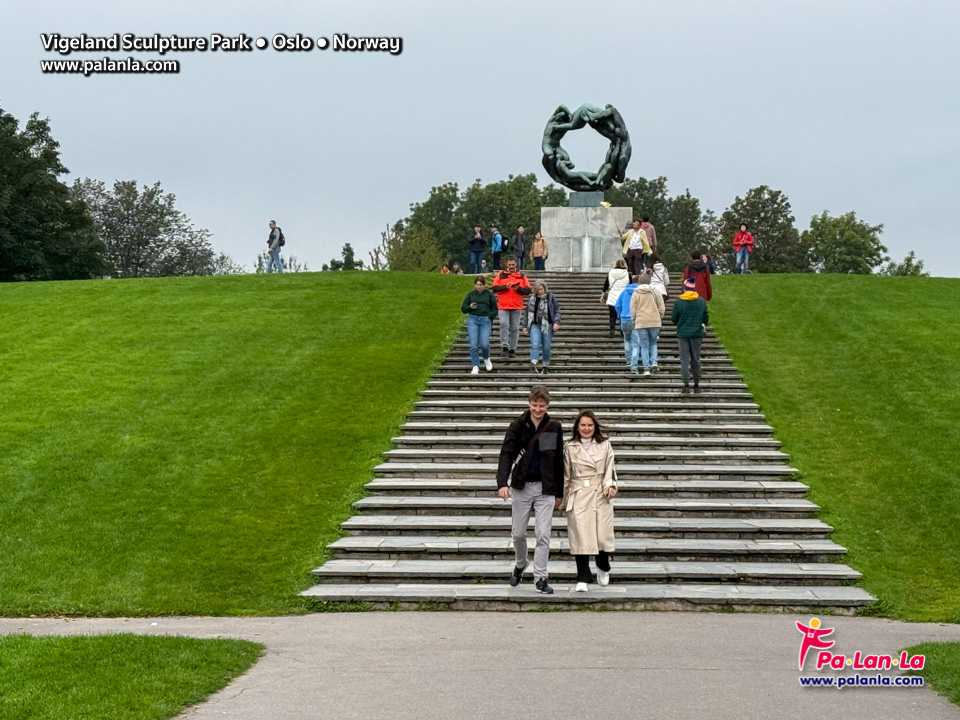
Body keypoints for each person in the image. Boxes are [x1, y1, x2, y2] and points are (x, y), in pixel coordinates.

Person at [497, 386, 565, 594]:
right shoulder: (518, 425)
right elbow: (507, 454)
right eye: (534, 405)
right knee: (518, 534)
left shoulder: (553, 426)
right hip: (522, 486)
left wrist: (559, 492)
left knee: (543, 534)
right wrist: (502, 482)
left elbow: (557, 460)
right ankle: (521, 563)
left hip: (545, 488)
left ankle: (540, 577)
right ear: (529, 404)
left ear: (547, 406)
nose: (538, 409)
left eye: (541, 406)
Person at [563, 410, 617, 592]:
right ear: (577, 427)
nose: (586, 429)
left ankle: (603, 565)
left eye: (590, 425)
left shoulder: (605, 444)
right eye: (583, 425)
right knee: (581, 536)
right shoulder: (570, 447)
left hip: (599, 492)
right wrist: (561, 497)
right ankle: (583, 577)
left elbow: (610, 468)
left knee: (602, 535)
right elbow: (566, 474)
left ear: (595, 426)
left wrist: (610, 486)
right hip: (578, 493)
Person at [671, 276, 710, 394]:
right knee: (695, 359)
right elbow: (706, 319)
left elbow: (674, 319)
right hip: (697, 334)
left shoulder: (679, 301)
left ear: (684, 288)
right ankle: (697, 384)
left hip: (683, 334)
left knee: (684, 359)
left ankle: (686, 384)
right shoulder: (701, 301)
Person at [491, 255, 531, 358]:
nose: (511, 266)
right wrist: (505, 287)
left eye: (513, 264)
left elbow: (528, 290)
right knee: (504, 324)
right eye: (509, 265)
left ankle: (513, 348)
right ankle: (505, 346)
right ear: (506, 264)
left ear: (516, 264)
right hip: (503, 305)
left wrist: (518, 289)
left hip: (516, 306)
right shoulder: (501, 274)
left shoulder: (521, 276)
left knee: (515, 328)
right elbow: (494, 288)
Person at [629, 272, 665, 376]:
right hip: (654, 321)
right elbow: (661, 307)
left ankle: (646, 369)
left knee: (644, 345)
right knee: (653, 343)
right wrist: (659, 316)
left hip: (641, 322)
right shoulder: (655, 291)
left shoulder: (636, 293)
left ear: (640, 282)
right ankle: (654, 362)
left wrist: (634, 319)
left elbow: (633, 308)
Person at [521, 281, 562, 374]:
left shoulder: (550, 297)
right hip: (535, 324)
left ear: (544, 289)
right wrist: (525, 325)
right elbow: (527, 313)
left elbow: (557, 311)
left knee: (546, 346)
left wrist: (556, 322)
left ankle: (545, 365)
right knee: (535, 344)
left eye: (541, 289)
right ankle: (533, 363)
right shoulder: (532, 299)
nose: (539, 291)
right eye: (537, 290)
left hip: (547, 325)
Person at [460, 275, 498, 375]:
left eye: (480, 285)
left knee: (484, 343)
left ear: (484, 285)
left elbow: (495, 309)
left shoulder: (489, 295)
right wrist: (469, 307)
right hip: (473, 319)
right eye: (477, 285)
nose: (478, 287)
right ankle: (475, 365)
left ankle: (486, 358)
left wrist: (489, 316)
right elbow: (463, 309)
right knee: (473, 344)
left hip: (485, 320)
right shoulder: (470, 295)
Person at [614, 274, 641, 367]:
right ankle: (634, 361)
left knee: (627, 339)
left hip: (624, 319)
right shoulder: (639, 293)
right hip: (636, 319)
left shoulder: (624, 292)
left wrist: (620, 314)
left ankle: (628, 359)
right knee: (636, 343)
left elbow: (617, 305)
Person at [602, 259, 630, 337]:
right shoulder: (627, 274)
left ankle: (612, 329)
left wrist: (603, 295)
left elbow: (606, 285)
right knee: (622, 314)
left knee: (612, 315)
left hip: (612, 296)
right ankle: (622, 331)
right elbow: (630, 285)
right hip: (623, 296)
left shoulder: (611, 273)